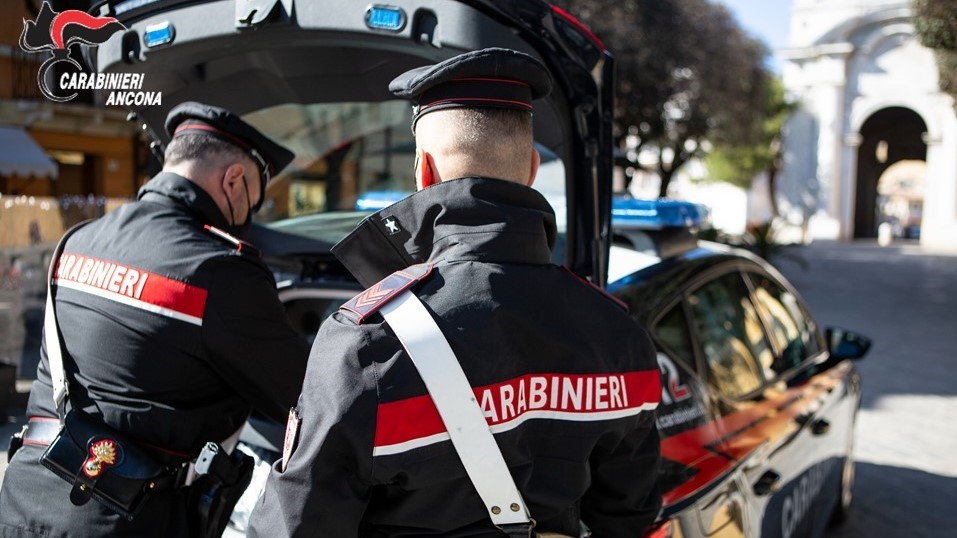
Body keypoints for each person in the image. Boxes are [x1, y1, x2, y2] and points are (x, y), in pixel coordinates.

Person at [248, 48, 662, 538]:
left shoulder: (369, 343)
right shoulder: (618, 334)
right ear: (531, 169)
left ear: (424, 172)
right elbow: (629, 517)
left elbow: (296, 526)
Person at [0, 102, 311, 537]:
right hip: (126, 520)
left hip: (22, 500)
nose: (247, 218)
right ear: (234, 180)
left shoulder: (77, 242)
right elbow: (306, 395)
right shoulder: (219, 270)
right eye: (253, 201)